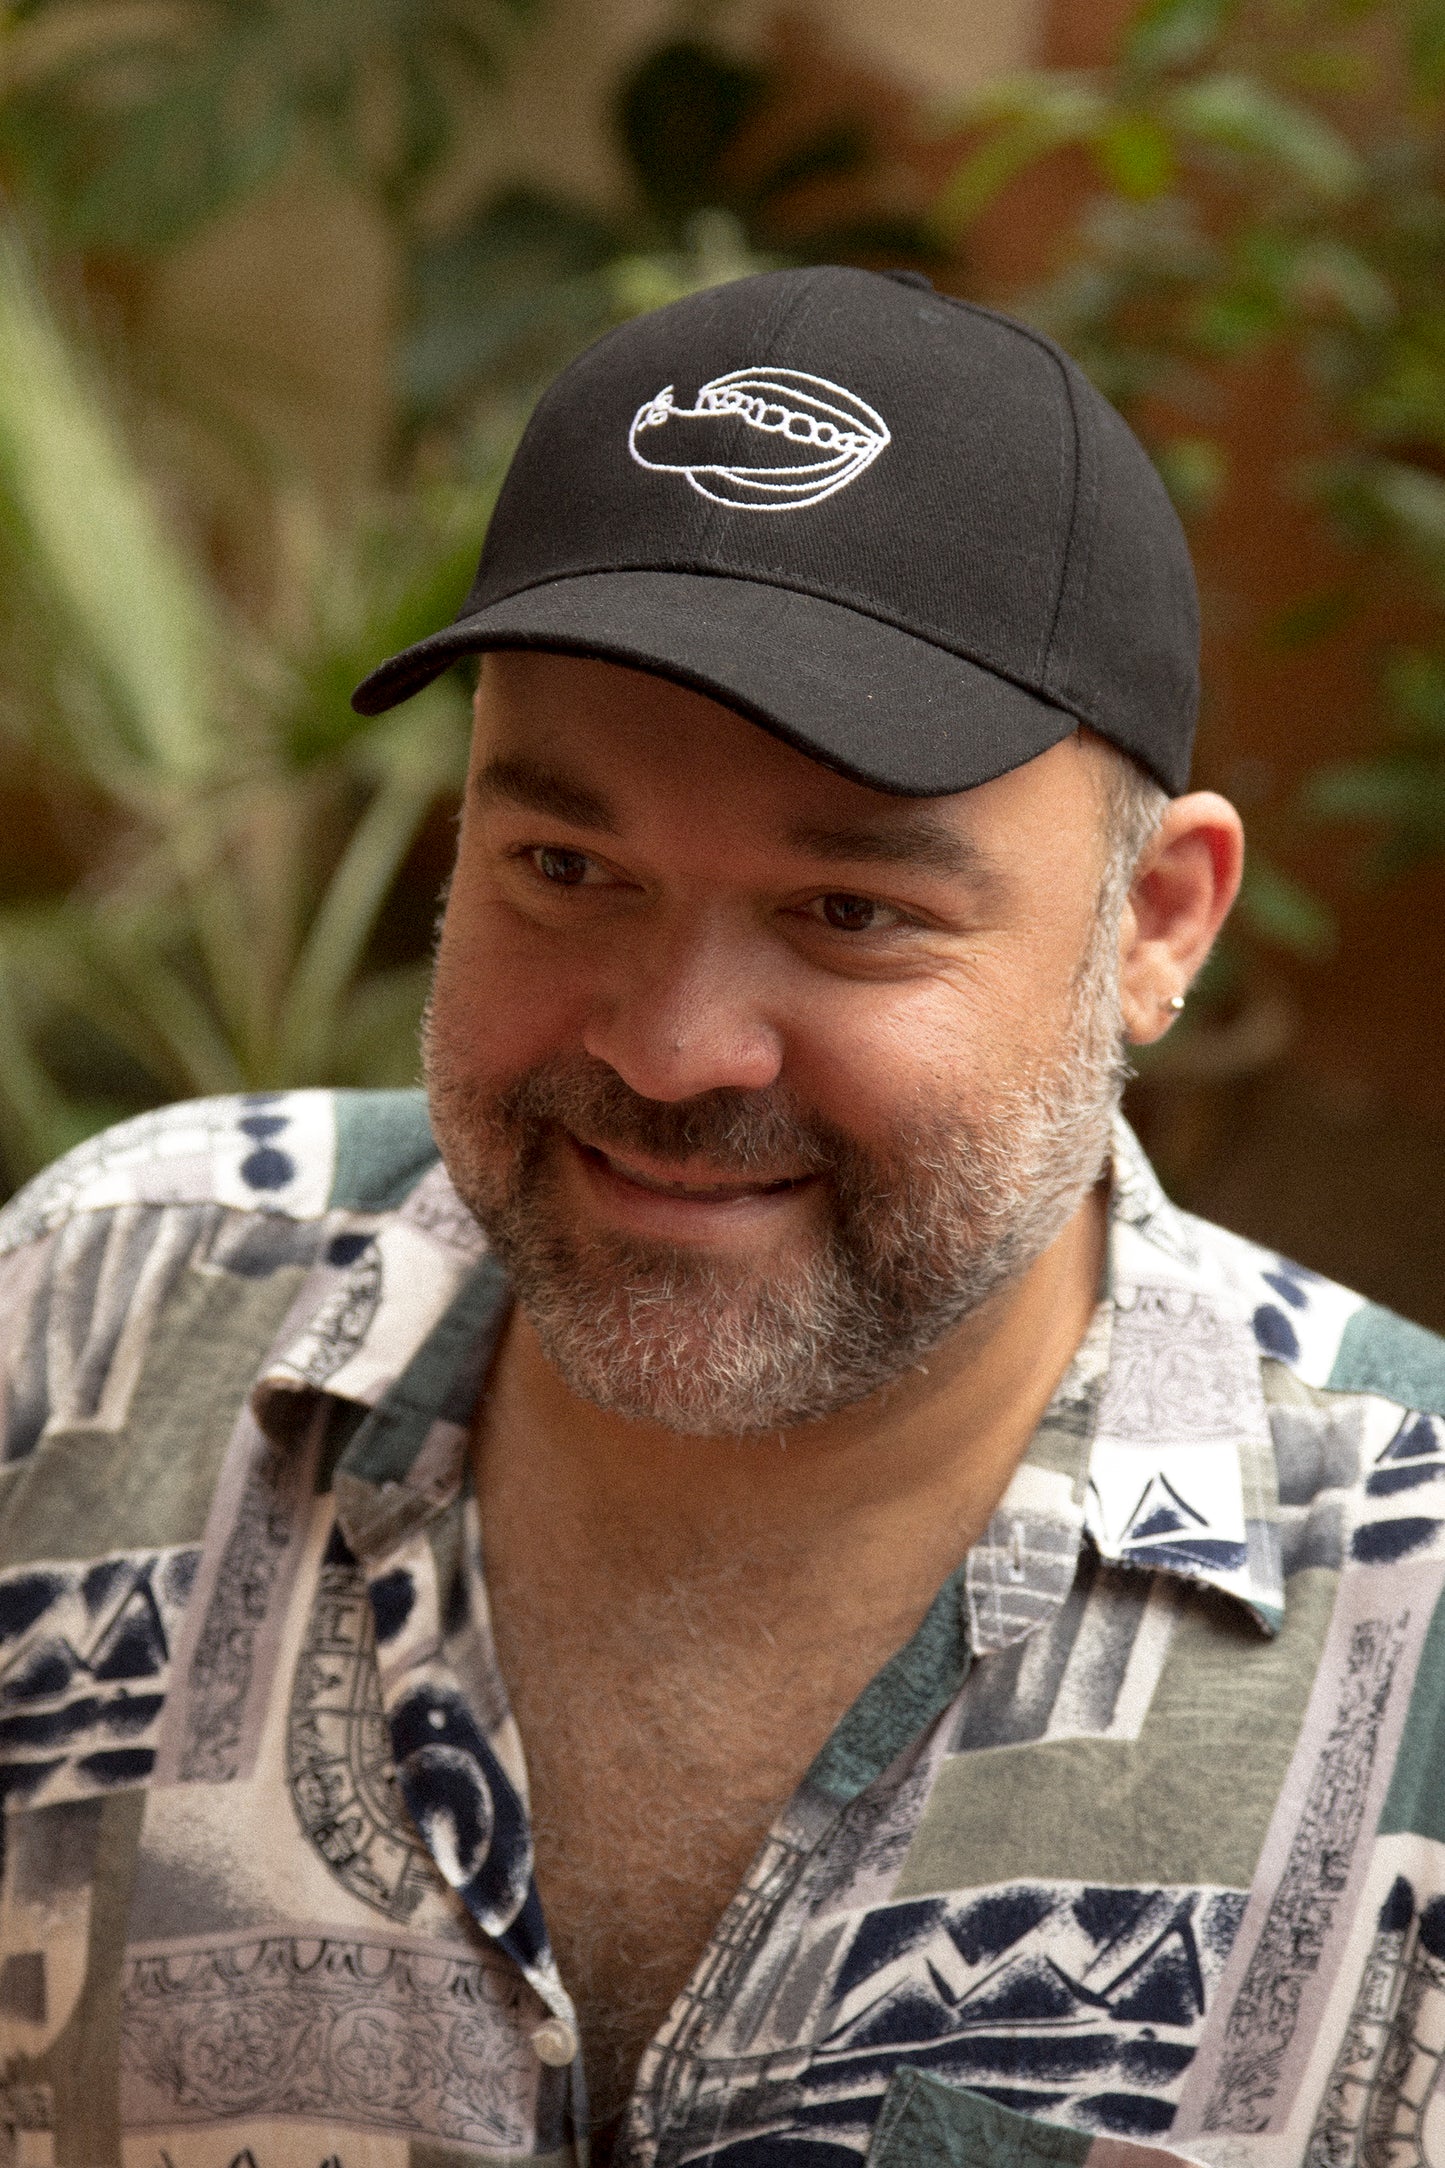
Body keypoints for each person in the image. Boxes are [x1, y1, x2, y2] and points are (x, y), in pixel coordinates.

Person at [0, 266, 1442, 2168]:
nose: (671, 1047)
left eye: (850, 913)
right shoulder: (102, 1307)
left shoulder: (1414, 1612)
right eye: (564, 864)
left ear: (1153, 926)